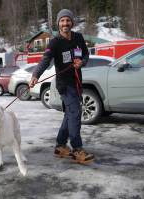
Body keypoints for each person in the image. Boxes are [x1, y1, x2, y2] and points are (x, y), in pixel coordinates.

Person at [29, 9, 94, 164]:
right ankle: (77, 149)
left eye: (68, 20)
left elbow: (86, 54)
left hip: (77, 81)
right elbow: (45, 60)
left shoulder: (78, 37)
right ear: (58, 23)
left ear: (72, 22)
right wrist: (35, 75)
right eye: (62, 21)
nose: (65, 23)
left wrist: (82, 62)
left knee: (70, 114)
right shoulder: (55, 42)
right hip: (64, 84)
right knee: (75, 113)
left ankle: (60, 146)